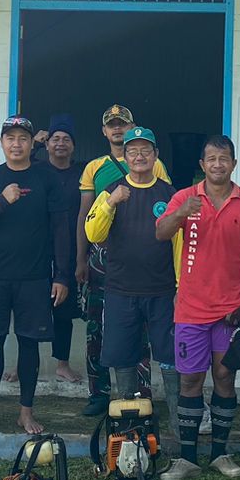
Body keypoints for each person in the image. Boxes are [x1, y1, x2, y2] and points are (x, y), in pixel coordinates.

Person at [152, 135, 240, 480]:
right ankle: (187, 458)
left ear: (234, 163)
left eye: (224, 158)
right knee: (190, 380)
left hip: (233, 309)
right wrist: (180, 214)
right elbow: (160, 233)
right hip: (191, 308)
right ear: (202, 165)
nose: (218, 164)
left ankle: (220, 453)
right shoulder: (184, 197)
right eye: (212, 159)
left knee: (224, 376)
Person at [0, 116, 74, 436]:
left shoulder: (46, 178)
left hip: (34, 277)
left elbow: (61, 229)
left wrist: (62, 276)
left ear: (32, 143)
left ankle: (26, 412)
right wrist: (2, 200)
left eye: (22, 138)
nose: (16, 144)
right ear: (1, 143)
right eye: (10, 138)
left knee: (29, 344)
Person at [84, 126, 182, 437]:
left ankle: (179, 428)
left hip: (162, 291)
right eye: (133, 151)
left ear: (155, 156)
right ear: (125, 157)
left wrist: (181, 287)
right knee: (122, 357)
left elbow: (179, 245)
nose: (139, 156)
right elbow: (93, 233)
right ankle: (129, 431)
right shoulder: (112, 191)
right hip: (121, 291)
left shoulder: (170, 194)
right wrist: (110, 203)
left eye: (145, 151)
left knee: (170, 358)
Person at [76, 104, 166, 416]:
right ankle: (101, 395)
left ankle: (143, 397)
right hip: (103, 260)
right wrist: (80, 258)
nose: (117, 129)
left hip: (144, 266)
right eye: (112, 125)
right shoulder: (95, 167)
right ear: (104, 131)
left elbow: (167, 211)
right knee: (100, 329)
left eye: (122, 124)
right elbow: (86, 217)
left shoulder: (157, 168)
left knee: (142, 333)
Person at [35, 113, 85, 384]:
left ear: (74, 146)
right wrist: (34, 143)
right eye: (55, 139)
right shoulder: (37, 170)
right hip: (38, 248)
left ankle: (62, 364)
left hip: (71, 249)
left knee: (63, 309)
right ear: (47, 144)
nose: (60, 144)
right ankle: (24, 363)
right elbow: (16, 163)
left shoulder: (82, 173)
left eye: (66, 139)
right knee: (32, 306)